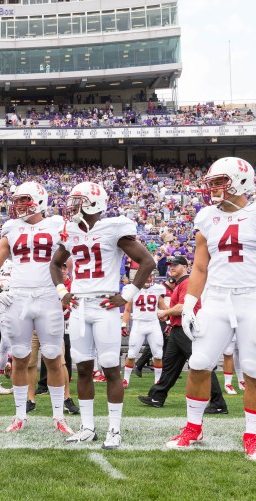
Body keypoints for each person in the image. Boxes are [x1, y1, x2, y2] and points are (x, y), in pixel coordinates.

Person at [167, 157, 256, 461]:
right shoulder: (206, 217)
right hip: (217, 298)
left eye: (220, 181)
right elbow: (199, 267)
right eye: (212, 181)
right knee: (198, 363)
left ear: (241, 180)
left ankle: (252, 437)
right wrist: (190, 304)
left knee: (253, 370)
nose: (213, 187)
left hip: (253, 297)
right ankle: (193, 428)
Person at [50, 181, 155, 449]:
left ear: (93, 203)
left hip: (105, 305)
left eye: (78, 200)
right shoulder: (70, 230)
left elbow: (147, 262)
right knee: (83, 368)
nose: (72, 206)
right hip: (79, 307)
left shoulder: (114, 228)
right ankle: (87, 428)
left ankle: (114, 429)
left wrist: (127, 294)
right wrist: (63, 291)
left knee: (110, 368)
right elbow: (55, 263)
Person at [0, 181, 74, 435]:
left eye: (24, 199)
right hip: (19, 298)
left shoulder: (58, 225)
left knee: (54, 357)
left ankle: (59, 416)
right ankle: (19, 415)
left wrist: (69, 290)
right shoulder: (11, 228)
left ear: (39, 199)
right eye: (17, 200)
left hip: (48, 295)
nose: (19, 205)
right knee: (20, 357)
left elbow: (73, 261)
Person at [137, 256, 228, 413]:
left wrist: (165, 312)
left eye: (175, 264)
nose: (171, 267)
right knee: (170, 365)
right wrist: (169, 315)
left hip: (187, 330)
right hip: (178, 329)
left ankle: (218, 404)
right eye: (170, 265)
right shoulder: (181, 283)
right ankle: (157, 396)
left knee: (202, 366)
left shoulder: (187, 282)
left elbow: (184, 307)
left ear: (185, 267)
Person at [121, 273, 167, 388]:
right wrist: (123, 325)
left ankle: (157, 381)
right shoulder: (131, 289)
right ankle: (126, 380)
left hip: (153, 324)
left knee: (158, 354)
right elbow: (127, 310)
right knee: (131, 354)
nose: (148, 278)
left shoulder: (158, 289)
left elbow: (163, 308)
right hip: (138, 323)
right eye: (147, 275)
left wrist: (169, 321)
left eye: (151, 276)